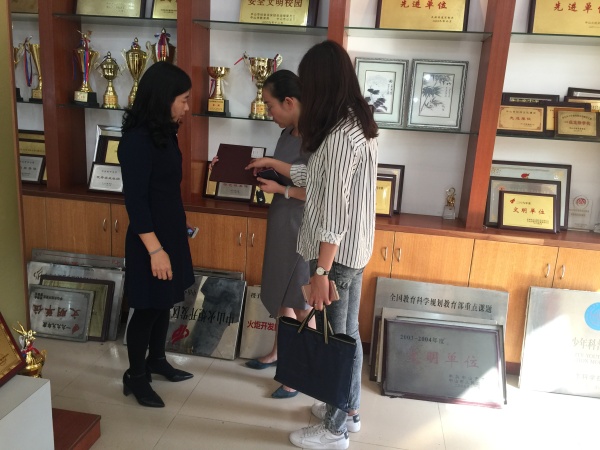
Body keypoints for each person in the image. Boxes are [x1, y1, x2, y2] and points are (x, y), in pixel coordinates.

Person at [290, 40, 378, 449]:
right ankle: (348, 410)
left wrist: (322, 272)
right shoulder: (356, 123)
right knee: (347, 335)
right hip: (351, 251)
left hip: (336, 257)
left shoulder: (342, 135)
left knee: (336, 342)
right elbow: (322, 180)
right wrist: (281, 169)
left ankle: (334, 430)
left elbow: (334, 211)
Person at [212, 70, 314, 398]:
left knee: (300, 298)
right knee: (280, 292)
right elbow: (280, 174)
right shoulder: (287, 133)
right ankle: (278, 352)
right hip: (281, 218)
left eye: (270, 105)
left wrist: (280, 188)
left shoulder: (315, 137)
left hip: (302, 224)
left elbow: (318, 191)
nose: (269, 112)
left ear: (289, 102)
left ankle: (302, 370)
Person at [118, 61, 196, 408]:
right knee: (148, 307)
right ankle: (135, 376)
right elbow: (135, 202)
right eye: (183, 99)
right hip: (148, 240)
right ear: (164, 98)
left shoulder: (164, 132)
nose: (187, 107)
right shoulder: (136, 141)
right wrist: (155, 250)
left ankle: (157, 360)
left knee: (165, 301)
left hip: (170, 232)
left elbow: (164, 188)